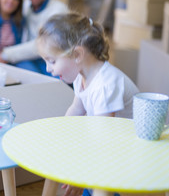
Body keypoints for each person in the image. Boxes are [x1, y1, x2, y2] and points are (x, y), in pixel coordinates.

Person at [36, 12, 139, 196]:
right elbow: (75, 110)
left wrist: (81, 173)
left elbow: (104, 138)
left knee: (97, 186)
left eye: (52, 61)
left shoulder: (105, 84)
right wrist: (57, 139)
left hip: (129, 151)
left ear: (77, 54)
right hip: (110, 144)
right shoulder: (81, 77)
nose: (48, 68)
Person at [0, 0, 69, 75]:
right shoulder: (25, 8)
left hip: (53, 62)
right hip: (28, 60)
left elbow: (44, 44)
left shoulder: (58, 10)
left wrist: (6, 54)